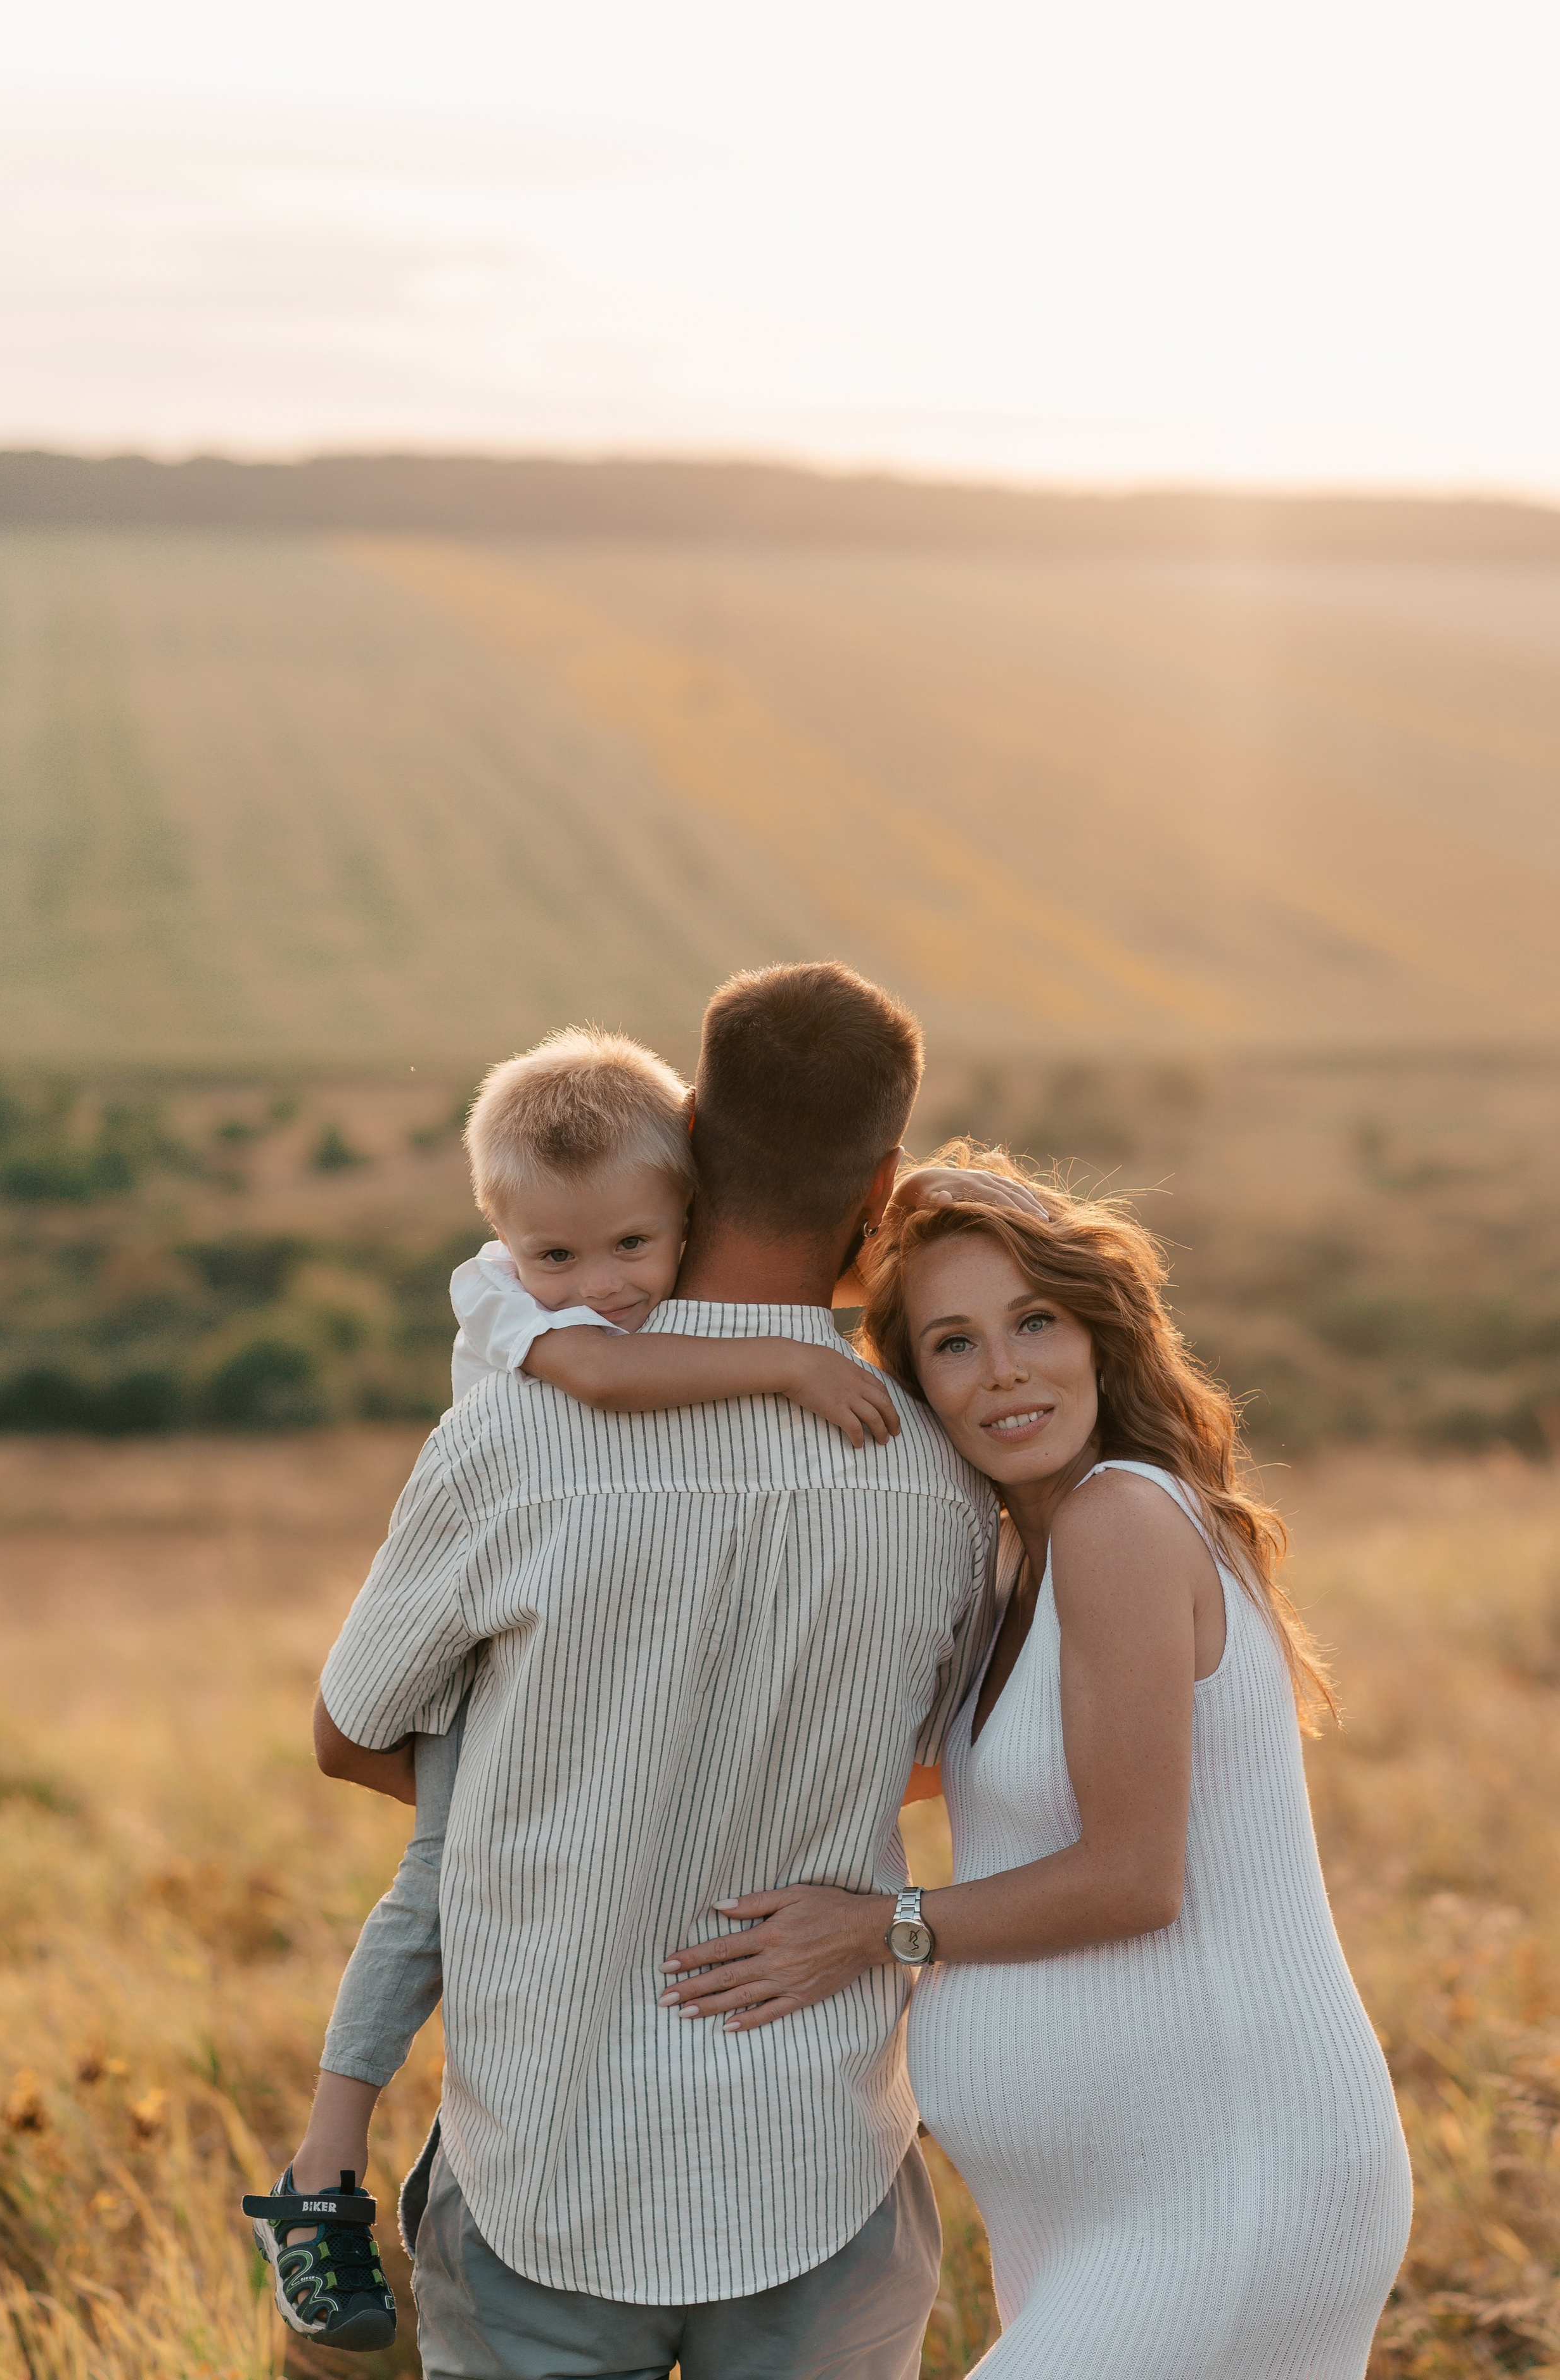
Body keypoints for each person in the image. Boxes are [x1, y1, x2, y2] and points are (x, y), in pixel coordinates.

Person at [266, 968, 1002, 2380]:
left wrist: (567, 1801)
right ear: (885, 1179)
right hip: (816, 2158)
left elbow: (349, 1736)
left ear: (693, 1143)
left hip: (544, 2148)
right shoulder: (941, 1480)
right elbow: (936, 1763)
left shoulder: (511, 1438)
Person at [660, 1149, 1413, 2379]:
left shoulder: (1119, 1519)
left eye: (1034, 1320)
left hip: (1234, 2183)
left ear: (1096, 1334)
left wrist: (872, 1931)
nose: (1003, 1369)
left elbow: (1131, 1877)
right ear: (913, 1388)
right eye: (951, 1344)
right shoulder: (1018, 1562)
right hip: (1101, 2211)